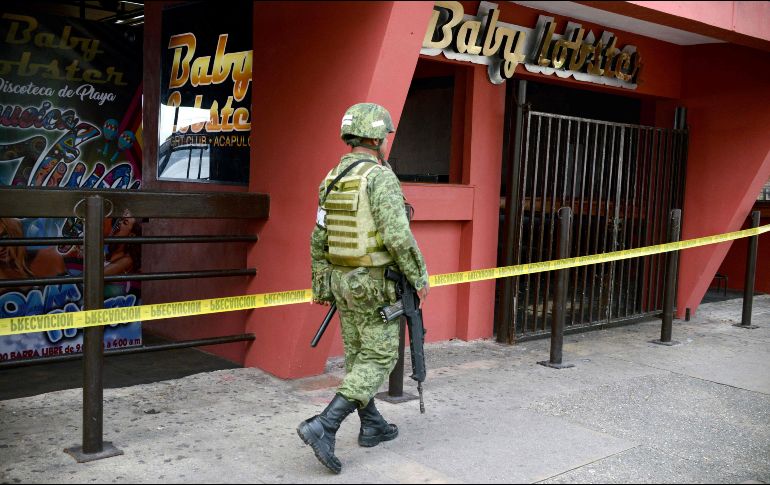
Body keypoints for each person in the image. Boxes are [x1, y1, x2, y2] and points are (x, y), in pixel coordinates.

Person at [297, 103, 430, 474]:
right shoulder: (378, 177)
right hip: (374, 284)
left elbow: (318, 236)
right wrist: (419, 277)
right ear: (375, 137)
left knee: (358, 356)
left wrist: (322, 283)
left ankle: (372, 424)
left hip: (342, 281)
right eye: (384, 136)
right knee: (379, 359)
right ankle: (325, 424)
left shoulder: (333, 178)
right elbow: (398, 236)